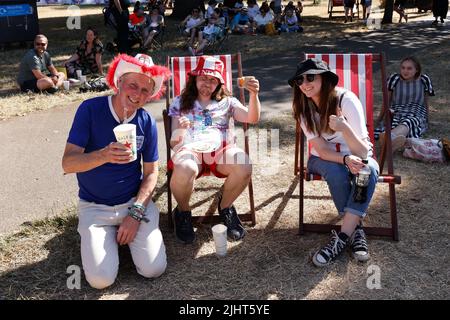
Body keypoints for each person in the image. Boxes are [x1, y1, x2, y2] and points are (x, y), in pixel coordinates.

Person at [62, 53, 170, 289]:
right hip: (94, 205)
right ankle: (106, 239)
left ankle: (125, 236)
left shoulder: (146, 121)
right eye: (133, 85)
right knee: (100, 281)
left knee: (154, 269)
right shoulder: (90, 109)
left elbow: (151, 172)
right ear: (119, 82)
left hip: (133, 203)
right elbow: (68, 164)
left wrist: (135, 213)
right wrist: (104, 155)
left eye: (145, 90)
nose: (138, 94)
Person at [288, 58, 379, 267]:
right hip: (323, 158)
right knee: (337, 172)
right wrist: (345, 160)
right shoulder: (303, 108)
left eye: (310, 77)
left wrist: (344, 128)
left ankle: (343, 237)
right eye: (299, 80)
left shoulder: (346, 100)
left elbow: (364, 151)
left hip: (356, 155)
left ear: (325, 79)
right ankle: (356, 231)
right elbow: (321, 150)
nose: (304, 84)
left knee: (367, 171)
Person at [168, 56, 261, 243]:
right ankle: (183, 212)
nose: (207, 83)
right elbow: (173, 142)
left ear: (219, 83)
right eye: (203, 78)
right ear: (194, 79)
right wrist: (181, 130)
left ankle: (225, 207)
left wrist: (253, 95)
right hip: (190, 150)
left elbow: (252, 118)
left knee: (243, 164)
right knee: (185, 167)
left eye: (212, 80)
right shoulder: (180, 102)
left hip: (221, 152)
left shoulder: (228, 102)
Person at [378, 56, 435, 152]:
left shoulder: (424, 80)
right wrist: (379, 119)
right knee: (396, 123)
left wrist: (427, 119)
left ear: (416, 70)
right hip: (397, 111)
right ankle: (391, 141)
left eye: (409, 68)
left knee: (410, 121)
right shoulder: (394, 79)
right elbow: (386, 101)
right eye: (403, 68)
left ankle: (389, 138)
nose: (405, 71)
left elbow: (426, 101)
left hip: (417, 111)